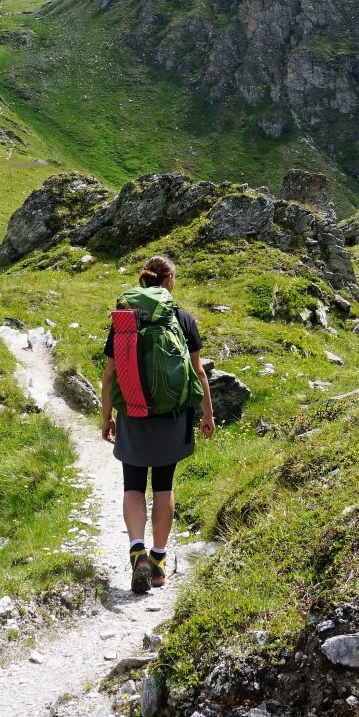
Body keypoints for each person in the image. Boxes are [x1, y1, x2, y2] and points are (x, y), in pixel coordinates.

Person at [101, 254, 215, 593]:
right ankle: (160, 562)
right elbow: (198, 372)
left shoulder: (124, 321)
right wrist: (207, 414)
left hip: (133, 412)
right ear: (168, 282)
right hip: (172, 416)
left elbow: (109, 376)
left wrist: (107, 417)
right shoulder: (183, 319)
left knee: (132, 484)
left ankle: (137, 552)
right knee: (163, 485)